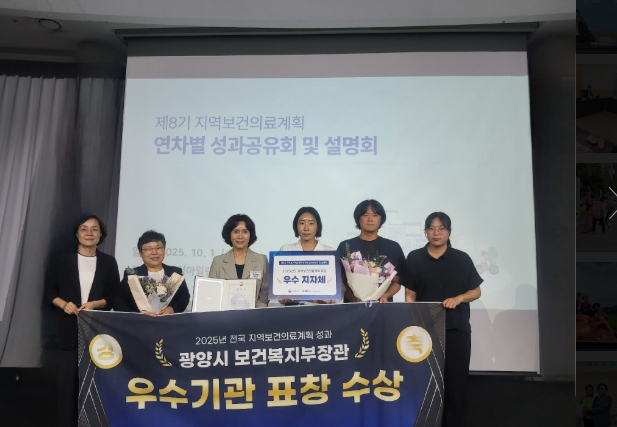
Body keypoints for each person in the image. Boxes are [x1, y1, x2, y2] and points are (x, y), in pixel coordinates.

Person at [404, 212, 482, 427]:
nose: (436, 233)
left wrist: (459, 298)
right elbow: (410, 294)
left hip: (456, 329)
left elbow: (476, 291)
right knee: (425, 384)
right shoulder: (414, 258)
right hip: (424, 331)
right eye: (431, 228)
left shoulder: (462, 259)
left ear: (449, 232)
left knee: (456, 385)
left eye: (441, 228)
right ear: (425, 232)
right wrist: (412, 322)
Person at [43, 213, 120, 427]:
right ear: (76, 234)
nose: (89, 233)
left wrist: (95, 304)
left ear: (101, 234)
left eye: (94, 229)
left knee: (95, 389)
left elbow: (114, 296)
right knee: (66, 390)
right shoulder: (62, 260)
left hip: (97, 334)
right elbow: (49, 293)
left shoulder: (109, 262)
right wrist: (63, 304)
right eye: (84, 229)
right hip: (67, 333)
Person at [337, 199, 404, 303]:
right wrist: (356, 300)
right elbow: (340, 281)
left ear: (381, 219)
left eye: (375, 215)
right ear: (358, 218)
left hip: (382, 307)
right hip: (353, 307)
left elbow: (397, 281)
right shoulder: (345, 246)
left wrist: (386, 295)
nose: (370, 219)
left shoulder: (393, 247)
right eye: (365, 215)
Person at [114, 230, 190, 314]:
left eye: (159, 248)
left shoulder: (174, 273)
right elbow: (119, 303)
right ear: (140, 253)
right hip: (139, 321)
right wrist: (139, 315)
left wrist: (172, 309)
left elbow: (184, 297)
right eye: (148, 249)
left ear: (164, 249)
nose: (154, 252)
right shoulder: (132, 275)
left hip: (169, 320)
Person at [279, 206, 337, 305]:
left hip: (322, 308)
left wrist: (331, 299)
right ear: (296, 226)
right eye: (302, 223)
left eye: (311, 223)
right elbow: (279, 282)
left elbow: (338, 285)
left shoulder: (329, 252)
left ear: (317, 226)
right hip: (292, 308)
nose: (306, 228)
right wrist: (281, 295)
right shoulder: (286, 250)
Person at [209, 214, 269, 307]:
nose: (240, 236)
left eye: (245, 231)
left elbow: (265, 292)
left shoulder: (262, 260)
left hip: (255, 314)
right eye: (236, 231)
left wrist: (258, 311)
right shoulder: (218, 261)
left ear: (250, 235)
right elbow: (213, 292)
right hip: (225, 314)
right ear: (229, 234)